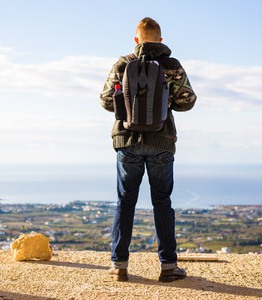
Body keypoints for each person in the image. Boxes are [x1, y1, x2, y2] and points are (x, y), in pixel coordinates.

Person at [99, 17, 197, 282]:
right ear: (160, 40)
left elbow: (106, 101)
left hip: (127, 142)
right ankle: (168, 267)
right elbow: (188, 100)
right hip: (161, 142)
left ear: (136, 39)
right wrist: (166, 102)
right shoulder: (171, 65)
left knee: (125, 202)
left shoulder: (123, 63)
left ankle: (119, 266)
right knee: (162, 203)